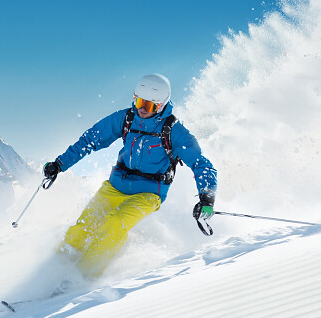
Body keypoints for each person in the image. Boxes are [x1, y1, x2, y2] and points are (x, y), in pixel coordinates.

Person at [42, 73, 217, 278]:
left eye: (149, 106)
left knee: (114, 223)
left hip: (148, 194)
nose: (142, 109)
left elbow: (201, 163)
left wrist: (207, 198)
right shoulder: (127, 118)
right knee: (83, 226)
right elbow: (91, 138)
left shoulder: (174, 131)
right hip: (115, 186)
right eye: (139, 101)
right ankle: (53, 272)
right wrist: (60, 164)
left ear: (161, 105)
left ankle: (81, 277)